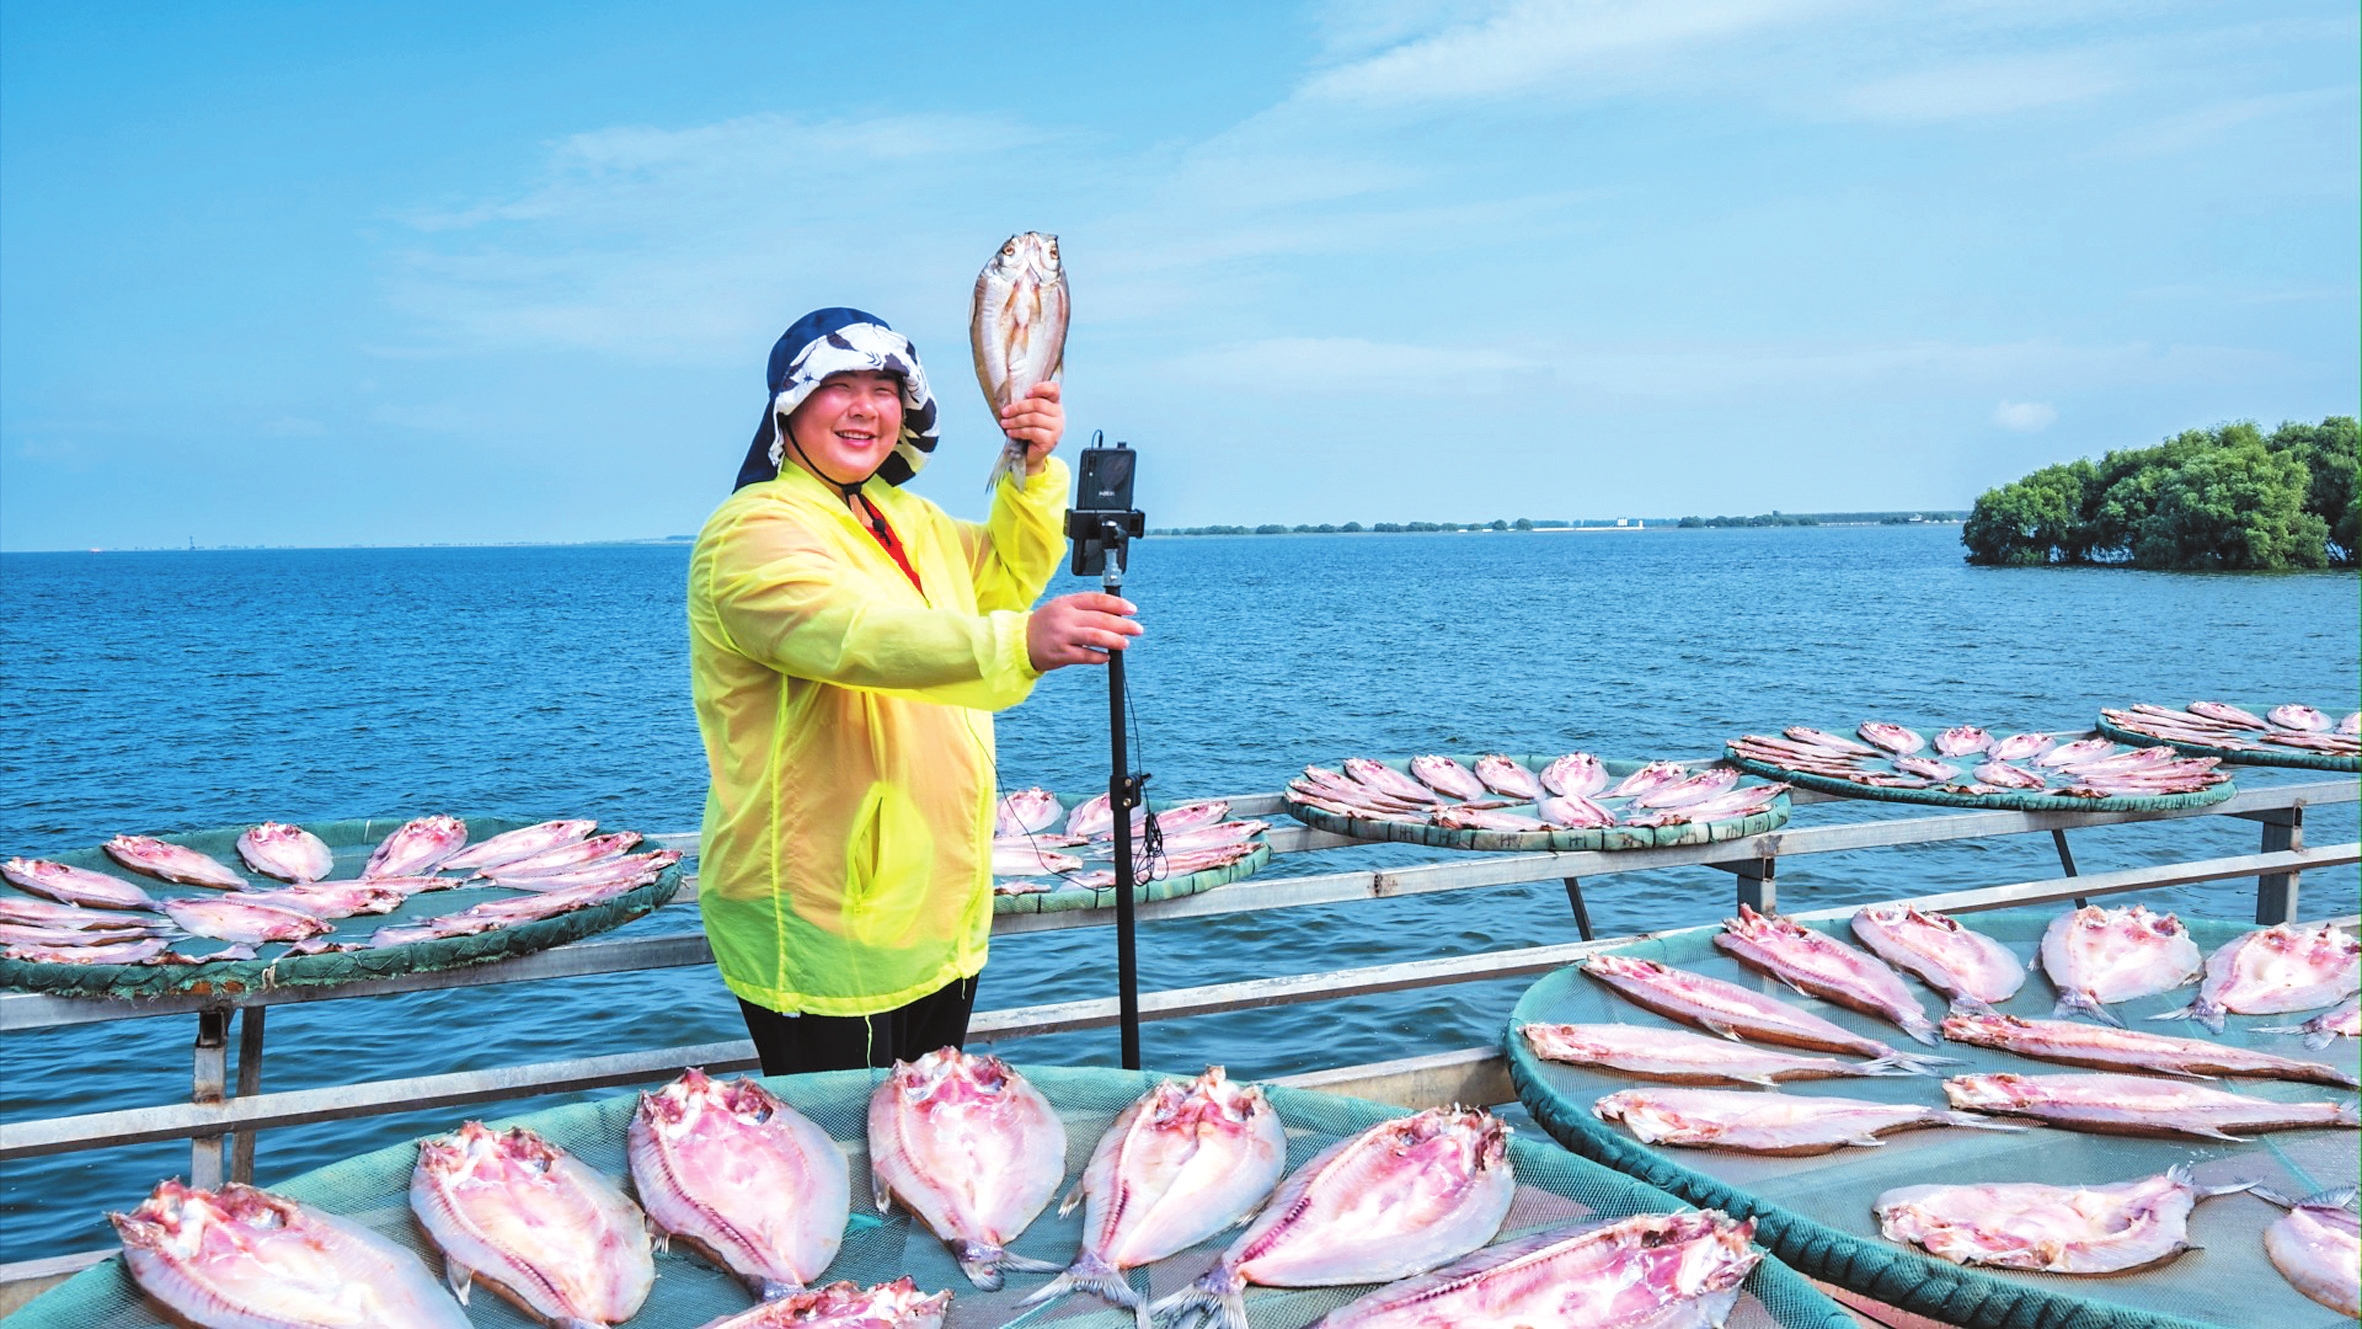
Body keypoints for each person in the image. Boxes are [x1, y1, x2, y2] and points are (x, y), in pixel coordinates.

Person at [687, 306, 1140, 1076]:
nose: (868, 406)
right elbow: (854, 636)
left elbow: (1001, 575)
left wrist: (1031, 468)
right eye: (840, 386)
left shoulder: (907, 516)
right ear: (790, 405)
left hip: (938, 910)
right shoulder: (751, 533)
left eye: (886, 387)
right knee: (850, 1161)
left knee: (928, 1135)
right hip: (830, 919)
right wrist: (1020, 641)